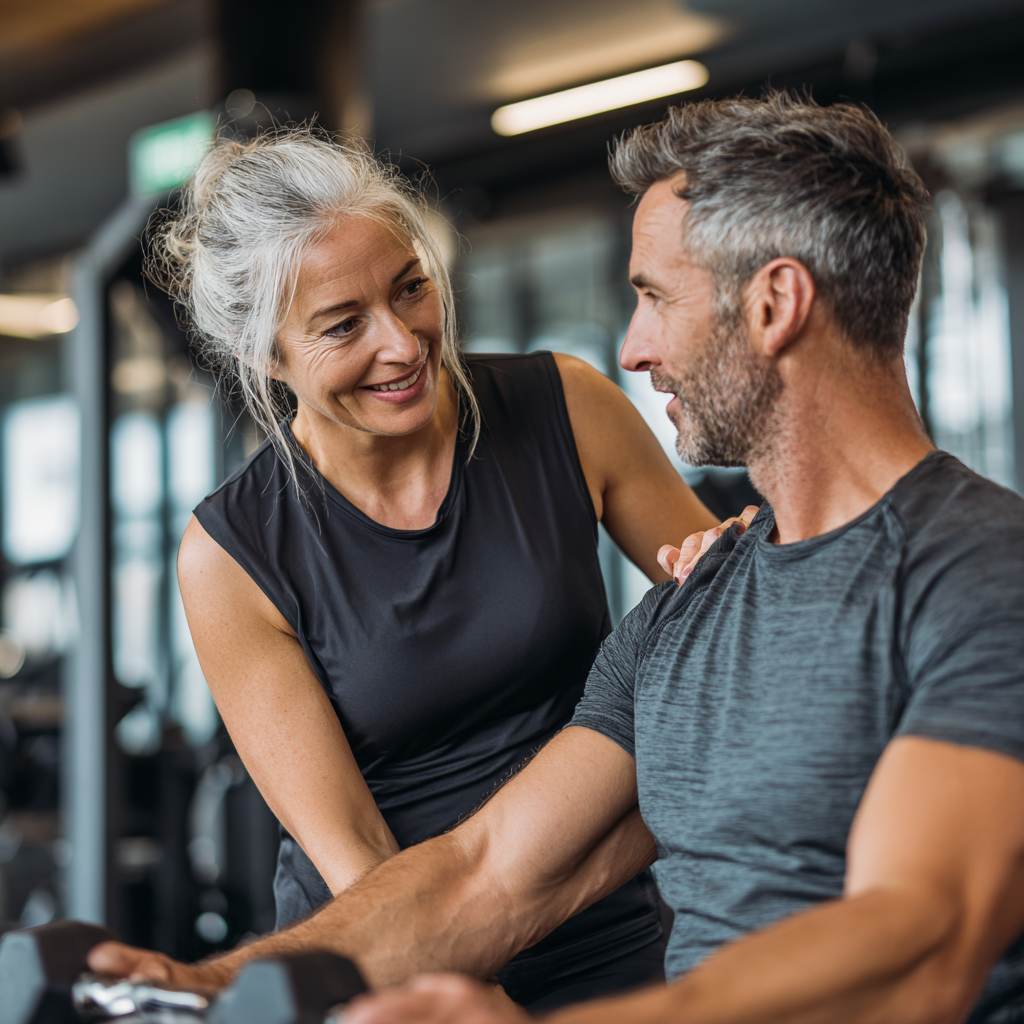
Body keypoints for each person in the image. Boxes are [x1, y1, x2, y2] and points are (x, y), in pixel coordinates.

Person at [93, 93, 1024, 1024]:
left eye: (654, 297)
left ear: (775, 304)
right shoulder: (686, 616)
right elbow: (486, 874)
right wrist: (204, 985)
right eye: (342, 324)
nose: (629, 348)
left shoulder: (980, 574)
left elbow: (922, 947)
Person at [147, 128, 730, 1011]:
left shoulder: (563, 406)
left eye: (410, 287)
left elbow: (731, 615)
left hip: (602, 927)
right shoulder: (231, 556)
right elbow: (347, 846)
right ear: (270, 357)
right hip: (385, 964)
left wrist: (729, 564)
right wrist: (457, 992)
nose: (404, 341)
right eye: (344, 326)